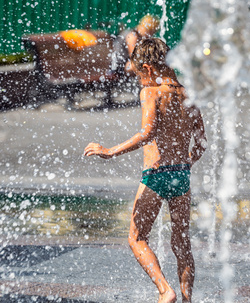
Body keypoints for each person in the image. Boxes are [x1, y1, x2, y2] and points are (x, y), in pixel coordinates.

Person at [84, 38, 207, 303]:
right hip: (180, 175)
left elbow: (147, 132)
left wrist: (110, 151)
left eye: (139, 75)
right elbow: (202, 142)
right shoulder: (189, 93)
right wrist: (187, 162)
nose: (139, 81)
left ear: (149, 69)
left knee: (136, 238)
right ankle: (188, 299)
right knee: (181, 242)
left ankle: (165, 290)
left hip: (155, 175)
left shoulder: (151, 92)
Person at [111, 14, 160, 81]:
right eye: (152, 32)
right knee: (141, 63)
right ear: (148, 29)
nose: (152, 35)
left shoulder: (139, 35)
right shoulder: (133, 36)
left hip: (127, 64)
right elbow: (135, 58)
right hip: (120, 67)